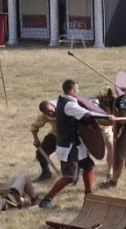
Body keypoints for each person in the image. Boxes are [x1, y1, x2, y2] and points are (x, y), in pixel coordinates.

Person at [40, 79, 112, 209]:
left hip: (75, 144)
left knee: (88, 166)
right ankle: (46, 200)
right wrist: (107, 117)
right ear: (72, 90)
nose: (78, 91)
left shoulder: (62, 100)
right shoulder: (69, 106)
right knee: (69, 177)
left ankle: (89, 195)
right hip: (68, 147)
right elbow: (88, 114)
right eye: (77, 89)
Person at [90, 85, 117, 182]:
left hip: (107, 128)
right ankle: (81, 170)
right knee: (87, 149)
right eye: (105, 97)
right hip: (95, 128)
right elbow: (94, 116)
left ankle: (110, 170)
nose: (107, 99)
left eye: (108, 97)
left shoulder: (114, 101)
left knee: (110, 144)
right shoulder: (95, 102)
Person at [30, 100, 57, 181]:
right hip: (56, 134)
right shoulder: (44, 116)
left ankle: (74, 176)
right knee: (41, 153)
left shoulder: (65, 108)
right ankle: (46, 173)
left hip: (70, 136)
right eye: (47, 113)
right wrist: (36, 139)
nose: (50, 114)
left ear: (53, 106)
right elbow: (35, 126)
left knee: (72, 156)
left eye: (51, 111)